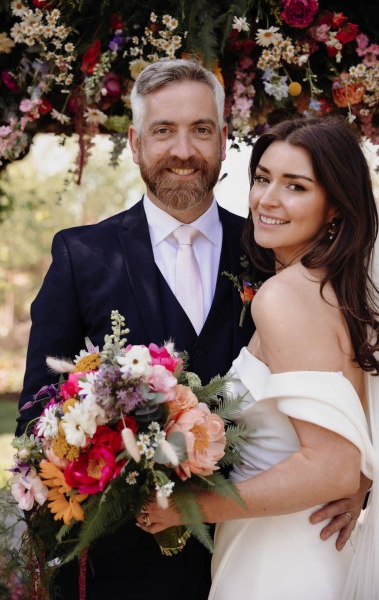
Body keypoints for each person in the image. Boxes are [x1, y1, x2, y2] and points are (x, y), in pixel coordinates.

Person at [16, 59, 366, 599]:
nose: (183, 150)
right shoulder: (80, 255)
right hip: (123, 573)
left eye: (201, 129)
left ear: (225, 140)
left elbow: (340, 376)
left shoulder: (274, 251)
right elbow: (37, 414)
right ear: (134, 143)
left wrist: (359, 479)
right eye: (163, 131)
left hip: (257, 552)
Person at [136, 115, 378, 599]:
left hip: (281, 561)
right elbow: (359, 435)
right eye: (263, 178)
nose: (267, 200)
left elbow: (333, 467)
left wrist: (194, 507)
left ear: (334, 208)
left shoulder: (284, 298)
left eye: (296, 186)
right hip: (307, 546)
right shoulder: (337, 293)